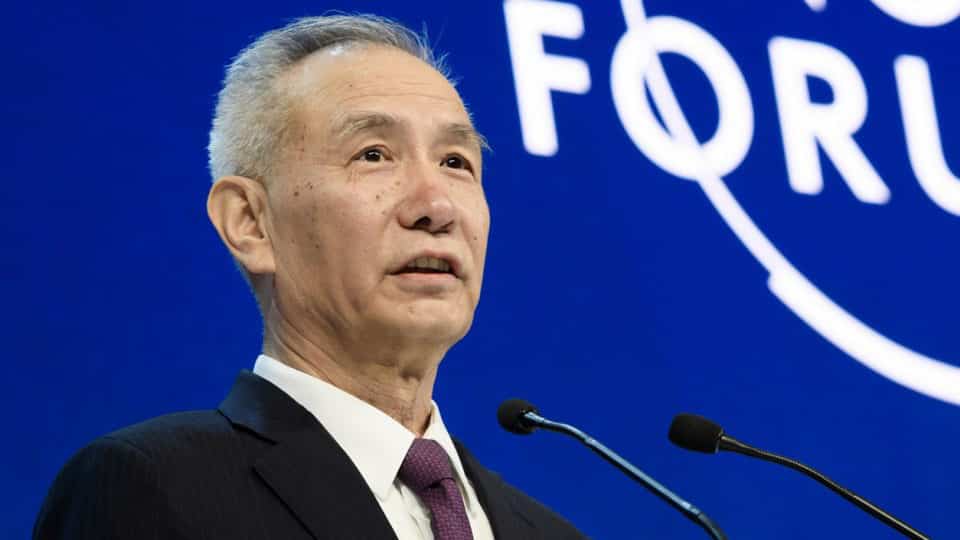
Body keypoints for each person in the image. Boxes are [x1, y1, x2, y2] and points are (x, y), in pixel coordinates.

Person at [33, 14, 585, 540]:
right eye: (374, 155)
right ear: (250, 223)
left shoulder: (553, 533)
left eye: (456, 162)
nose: (436, 206)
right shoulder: (153, 488)